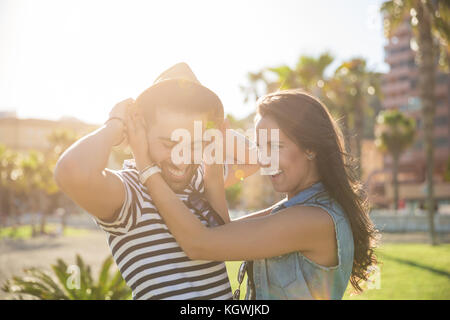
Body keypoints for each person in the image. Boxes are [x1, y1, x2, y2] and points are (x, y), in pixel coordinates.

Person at [128, 89, 379, 300]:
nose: (263, 159)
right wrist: (212, 167)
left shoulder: (313, 220)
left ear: (310, 148)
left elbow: (199, 244)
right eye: (261, 146)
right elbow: (222, 234)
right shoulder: (296, 209)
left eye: (275, 146)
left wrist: (144, 163)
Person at [54, 62, 256, 300]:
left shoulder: (199, 179)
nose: (181, 160)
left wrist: (212, 130)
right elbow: (72, 171)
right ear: (139, 132)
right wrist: (117, 123)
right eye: (169, 144)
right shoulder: (130, 192)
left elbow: (254, 158)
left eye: (193, 144)